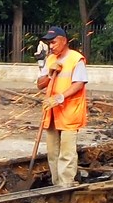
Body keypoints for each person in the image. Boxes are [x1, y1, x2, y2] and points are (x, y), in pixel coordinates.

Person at [36, 26, 88, 187]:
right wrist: (49, 73)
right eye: (49, 43)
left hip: (69, 112)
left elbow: (79, 83)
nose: (51, 46)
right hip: (51, 113)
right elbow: (40, 85)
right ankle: (56, 184)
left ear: (64, 41)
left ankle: (65, 185)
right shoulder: (50, 59)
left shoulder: (75, 59)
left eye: (53, 42)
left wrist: (60, 97)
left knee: (67, 152)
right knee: (52, 152)